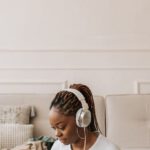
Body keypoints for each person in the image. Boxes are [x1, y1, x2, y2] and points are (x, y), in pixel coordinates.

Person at [49, 83, 120, 150]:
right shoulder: (57, 146)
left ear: (81, 119)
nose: (57, 134)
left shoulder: (109, 148)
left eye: (61, 127)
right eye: (54, 128)